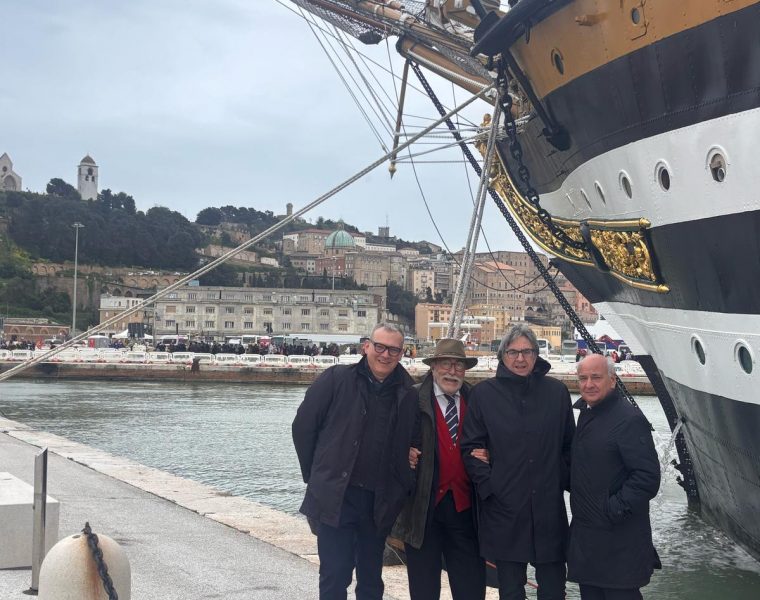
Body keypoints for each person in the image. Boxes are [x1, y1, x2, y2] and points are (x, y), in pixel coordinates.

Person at [292, 322, 417, 600]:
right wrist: (316, 475)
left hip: (379, 501)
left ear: (402, 353)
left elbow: (415, 439)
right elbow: (303, 428)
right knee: (335, 575)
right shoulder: (336, 379)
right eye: (380, 347)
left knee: (371, 579)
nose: (385, 355)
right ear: (366, 347)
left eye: (393, 350)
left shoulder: (409, 392)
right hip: (337, 496)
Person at [461, 324, 575, 600]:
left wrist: (559, 479)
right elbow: (471, 449)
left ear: (536, 355)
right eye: (513, 352)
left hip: (548, 509)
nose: (520, 358)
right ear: (503, 356)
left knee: (554, 590)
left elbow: (569, 447)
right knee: (511, 591)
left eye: (527, 352)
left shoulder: (557, 393)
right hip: (505, 510)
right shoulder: (483, 395)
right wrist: (491, 487)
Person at [393, 339, 486, 600]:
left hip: (466, 512)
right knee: (424, 591)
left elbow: (496, 439)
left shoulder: (477, 400)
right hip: (423, 511)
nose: (452, 371)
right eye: (446, 364)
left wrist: (490, 454)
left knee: (471, 590)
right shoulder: (411, 398)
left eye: (459, 366)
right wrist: (403, 452)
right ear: (433, 367)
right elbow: (391, 441)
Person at [568, 354, 661, 599]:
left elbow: (647, 477)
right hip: (589, 543)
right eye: (583, 378)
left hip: (619, 542)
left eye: (596, 377)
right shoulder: (588, 415)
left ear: (612, 380)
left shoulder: (629, 419)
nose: (589, 384)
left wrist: (612, 509)